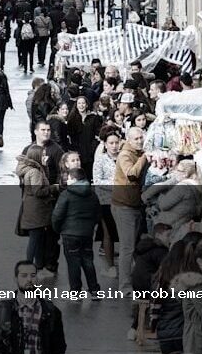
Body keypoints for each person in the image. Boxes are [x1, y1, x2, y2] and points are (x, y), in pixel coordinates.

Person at [0, 261, 66, 354]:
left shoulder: (50, 312)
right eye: (24, 276)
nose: (29, 279)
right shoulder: (2, 310)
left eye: (33, 275)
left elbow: (59, 346)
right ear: (15, 279)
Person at [51, 167, 101, 295]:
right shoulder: (92, 194)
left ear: (73, 179)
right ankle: (94, 289)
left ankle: (75, 291)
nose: (67, 181)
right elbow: (97, 214)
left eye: (68, 178)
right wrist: (90, 227)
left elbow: (57, 215)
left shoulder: (66, 194)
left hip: (69, 234)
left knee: (73, 263)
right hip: (87, 234)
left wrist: (58, 230)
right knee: (88, 261)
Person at [112, 126, 149, 293]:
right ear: (128, 140)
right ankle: (124, 286)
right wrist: (144, 158)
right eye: (136, 139)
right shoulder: (125, 155)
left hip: (134, 204)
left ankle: (136, 280)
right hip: (124, 206)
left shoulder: (137, 153)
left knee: (134, 246)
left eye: (141, 138)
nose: (140, 141)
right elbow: (131, 174)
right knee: (127, 247)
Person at [17, 145, 59, 279]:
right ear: (37, 157)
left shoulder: (30, 169)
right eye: (43, 155)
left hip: (32, 209)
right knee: (35, 241)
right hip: (37, 211)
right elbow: (38, 191)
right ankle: (29, 268)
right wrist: (54, 188)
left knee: (37, 240)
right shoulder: (35, 172)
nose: (46, 157)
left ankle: (37, 266)